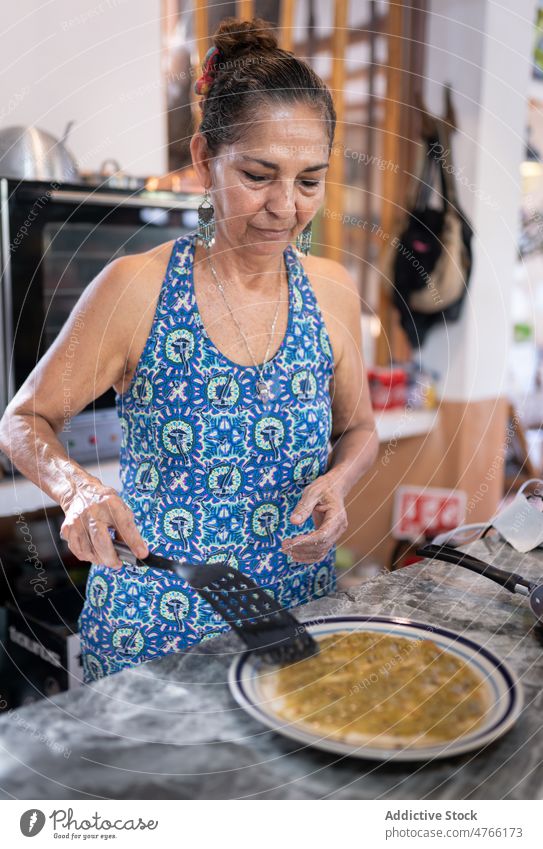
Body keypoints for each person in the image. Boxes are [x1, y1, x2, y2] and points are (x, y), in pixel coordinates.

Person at [0, 17, 378, 683]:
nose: (285, 207)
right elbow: (21, 420)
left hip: (295, 612)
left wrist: (338, 482)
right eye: (258, 174)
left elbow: (358, 428)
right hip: (155, 631)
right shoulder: (136, 289)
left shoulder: (334, 292)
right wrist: (78, 488)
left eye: (309, 181)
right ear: (205, 158)